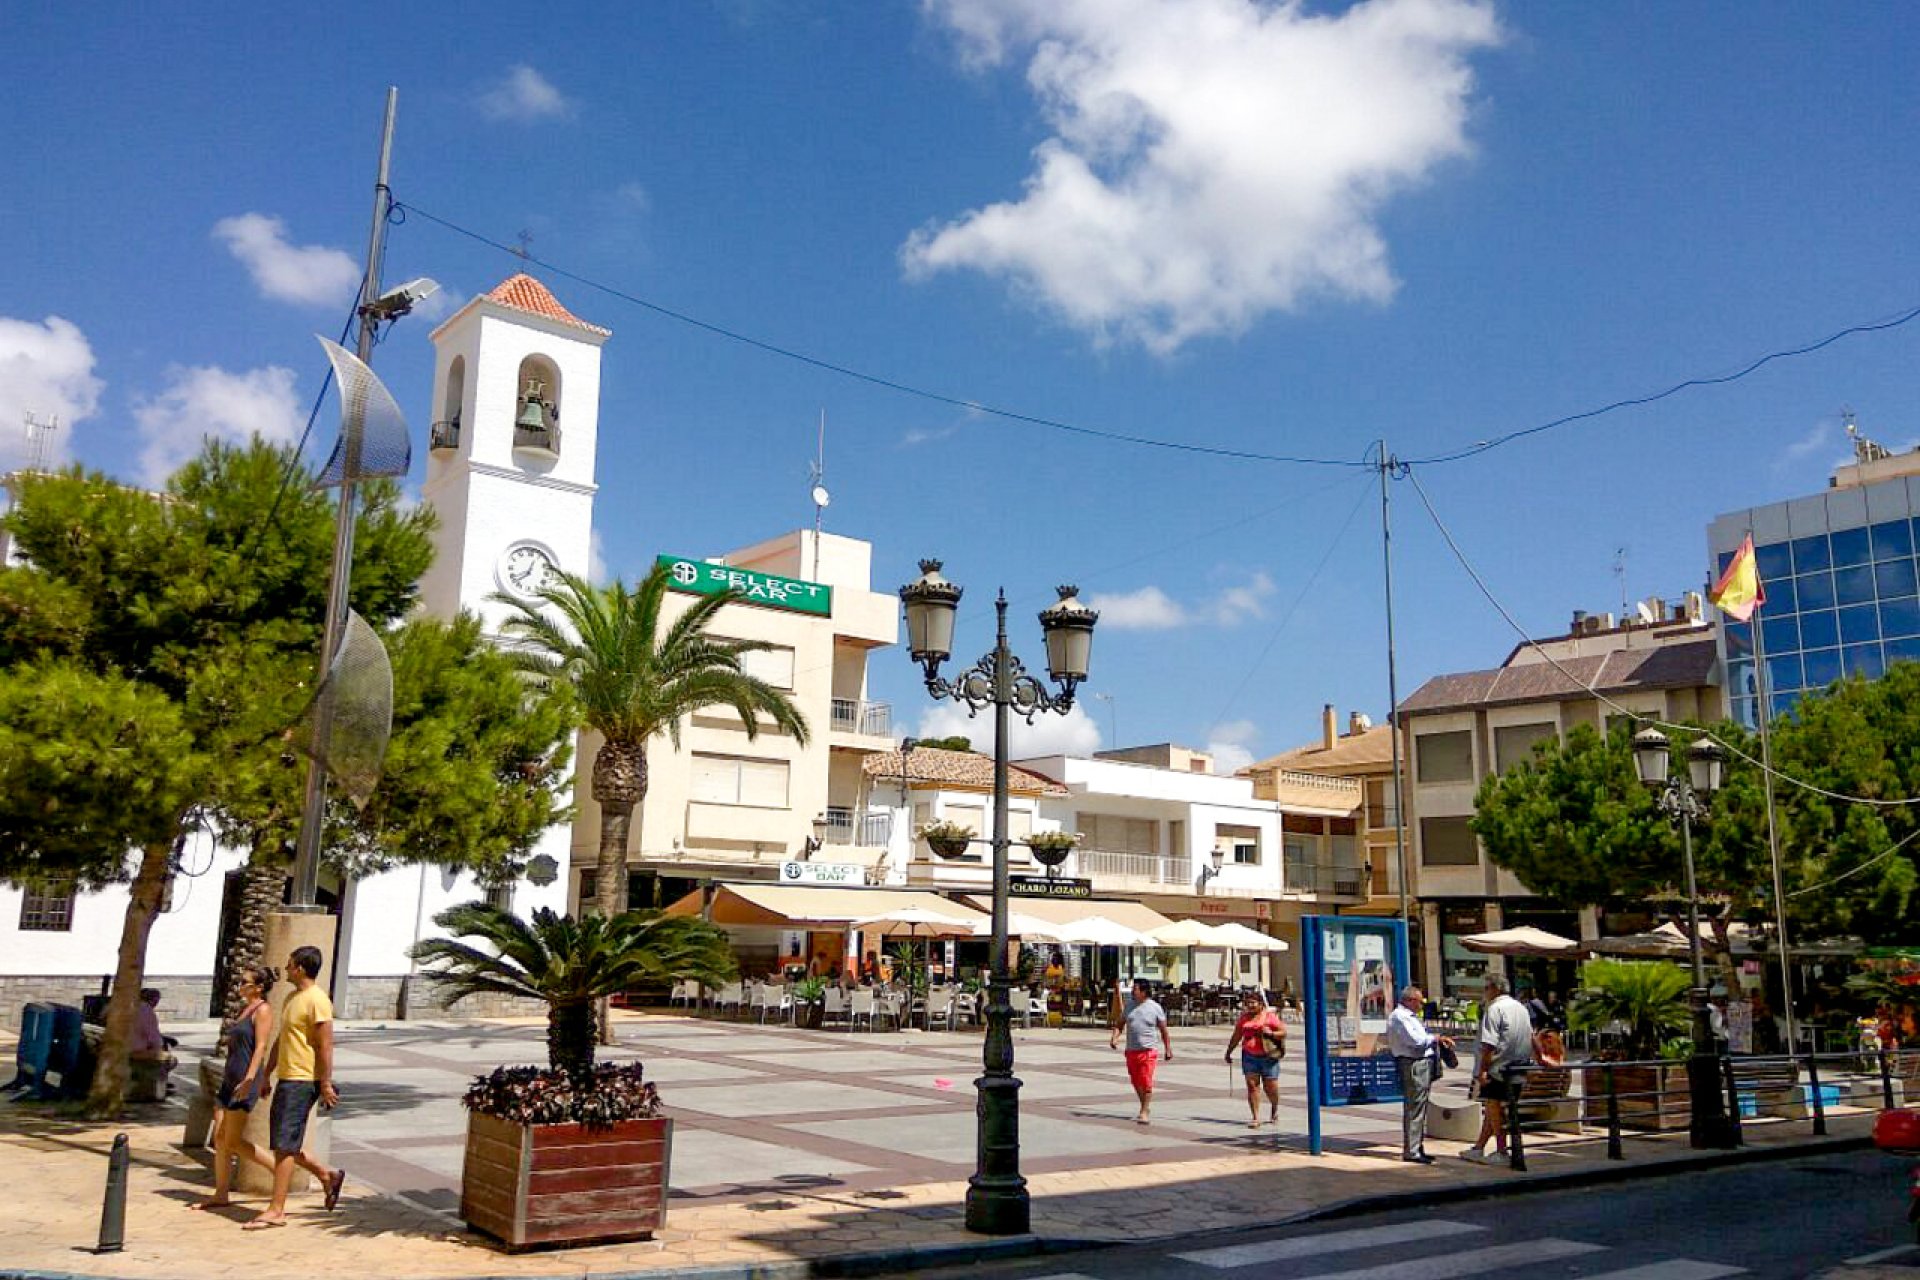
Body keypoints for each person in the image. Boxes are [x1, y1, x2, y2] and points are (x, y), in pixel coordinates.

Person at [248, 946, 346, 1230]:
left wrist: (325, 1082)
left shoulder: (318, 1001)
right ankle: (327, 1176)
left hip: (303, 1079)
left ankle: (277, 1209)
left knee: (284, 1146)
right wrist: (267, 1073)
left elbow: (325, 1044)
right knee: (283, 1143)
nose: (286, 969)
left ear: (301, 968)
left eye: (290, 964)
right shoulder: (292, 997)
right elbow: (283, 1038)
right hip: (287, 1076)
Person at [190, 966, 277, 1212]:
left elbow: (261, 1047)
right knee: (220, 1138)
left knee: (233, 1140)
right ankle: (221, 1193)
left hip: (244, 1079)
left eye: (245, 982)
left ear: (259, 987)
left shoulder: (263, 1010)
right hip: (230, 1077)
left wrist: (251, 1079)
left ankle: (277, 1169)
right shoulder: (244, 1009)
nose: (240, 986)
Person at [1462, 973, 1532, 1164]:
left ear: (1495, 989)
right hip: (1518, 1069)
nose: (1484, 992)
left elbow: (1489, 1044)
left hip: (1498, 1069)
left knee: (1494, 1108)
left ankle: (1502, 1151)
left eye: (1486, 988)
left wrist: (1483, 1070)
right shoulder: (1521, 1008)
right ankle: (1479, 1148)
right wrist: (1542, 1058)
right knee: (1492, 1111)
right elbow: (1532, 1036)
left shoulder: (1494, 1009)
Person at [1386, 984, 1452, 1164]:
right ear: (1409, 1000)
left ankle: (1417, 1145)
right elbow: (1416, 1041)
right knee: (1415, 1107)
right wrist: (1435, 1038)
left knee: (1419, 1106)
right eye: (1419, 1001)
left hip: (1420, 1063)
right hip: (1413, 1063)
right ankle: (1412, 1150)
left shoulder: (1410, 1017)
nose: (1422, 1005)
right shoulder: (1400, 1017)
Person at [1110, 977, 1172, 1125]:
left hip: (1148, 1051)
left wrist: (1168, 1049)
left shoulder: (1155, 1007)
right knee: (1136, 1081)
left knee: (1146, 1081)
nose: (1132, 991)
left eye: (1135, 989)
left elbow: (1164, 1030)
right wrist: (1115, 1038)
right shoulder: (1129, 1006)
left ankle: (1144, 1111)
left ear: (1144, 992)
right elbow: (1120, 1024)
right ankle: (1145, 1105)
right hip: (1131, 1050)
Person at [1223, 990, 1286, 1129]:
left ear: (1261, 1004)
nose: (1250, 1006)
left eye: (1253, 1003)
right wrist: (1229, 1051)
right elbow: (1237, 1035)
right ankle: (1255, 1117)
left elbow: (1283, 1032)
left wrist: (1272, 1033)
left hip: (1269, 1056)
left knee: (1271, 1087)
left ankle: (1274, 1107)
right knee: (1252, 1086)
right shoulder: (1244, 1018)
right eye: (1248, 1003)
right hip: (1249, 1055)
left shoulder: (1269, 1017)